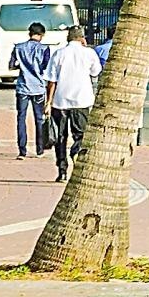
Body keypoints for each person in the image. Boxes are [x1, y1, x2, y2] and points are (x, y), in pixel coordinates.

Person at [47, 25, 102, 180]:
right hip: (81, 100)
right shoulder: (89, 53)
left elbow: (51, 80)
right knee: (80, 134)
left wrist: (48, 101)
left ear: (68, 37)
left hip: (60, 101)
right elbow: (95, 72)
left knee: (61, 136)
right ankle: (76, 151)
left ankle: (62, 170)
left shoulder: (59, 54)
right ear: (82, 38)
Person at [8, 22, 56, 159]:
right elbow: (45, 67)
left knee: (21, 118)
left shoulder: (18, 48)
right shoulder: (45, 49)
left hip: (23, 87)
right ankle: (39, 149)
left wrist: (21, 67)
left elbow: (11, 66)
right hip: (38, 88)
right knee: (39, 118)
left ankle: (22, 150)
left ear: (30, 33)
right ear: (41, 35)